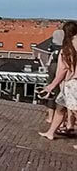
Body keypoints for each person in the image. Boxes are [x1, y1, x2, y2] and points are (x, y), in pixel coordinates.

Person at [39, 21, 77, 150]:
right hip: (71, 85)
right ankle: (50, 132)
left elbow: (63, 70)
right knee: (60, 108)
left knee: (74, 111)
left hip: (72, 85)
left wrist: (51, 85)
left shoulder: (67, 48)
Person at [41, 30, 64, 123]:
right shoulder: (67, 46)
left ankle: (51, 117)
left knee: (51, 92)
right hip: (61, 67)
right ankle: (61, 120)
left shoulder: (53, 45)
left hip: (53, 67)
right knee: (61, 93)